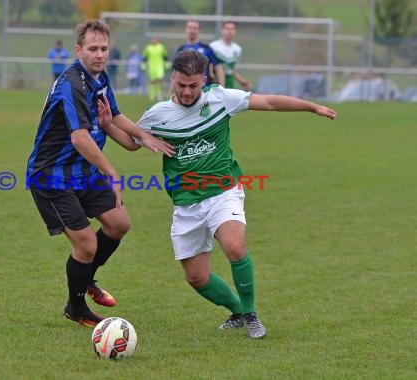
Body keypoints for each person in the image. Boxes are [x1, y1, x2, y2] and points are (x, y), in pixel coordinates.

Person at [134, 50, 337, 338]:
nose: (188, 91)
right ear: (173, 79)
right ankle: (238, 311)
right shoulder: (158, 115)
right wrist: (109, 124)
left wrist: (310, 107)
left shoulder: (220, 99)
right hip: (186, 204)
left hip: (223, 192)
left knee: (234, 246)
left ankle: (252, 313)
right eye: (181, 85)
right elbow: (131, 141)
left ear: (203, 79)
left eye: (194, 85)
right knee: (196, 277)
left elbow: (266, 101)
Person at [26, 19, 173, 328]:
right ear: (78, 50)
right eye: (92, 49)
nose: (99, 54)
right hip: (52, 176)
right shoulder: (72, 83)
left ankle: (87, 277)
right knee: (86, 245)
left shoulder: (99, 78)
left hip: (82, 171)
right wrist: (113, 174)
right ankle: (76, 307)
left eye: (104, 48)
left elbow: (114, 117)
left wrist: (142, 138)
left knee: (119, 224)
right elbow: (79, 137)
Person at [175, 20, 224, 88]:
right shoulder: (181, 49)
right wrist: (171, 92)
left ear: (199, 31)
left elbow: (218, 66)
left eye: (195, 28)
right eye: (190, 28)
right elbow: (175, 72)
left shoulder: (207, 48)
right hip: (185, 91)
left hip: (204, 90)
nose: (192, 30)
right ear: (186, 30)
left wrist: (222, 87)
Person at [210, 21, 251, 90]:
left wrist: (242, 82)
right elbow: (209, 66)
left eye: (232, 29)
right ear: (222, 30)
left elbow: (232, 69)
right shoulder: (213, 46)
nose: (230, 31)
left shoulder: (237, 49)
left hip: (229, 83)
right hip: (214, 82)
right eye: (227, 28)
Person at [141, 37, 169, 101]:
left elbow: (165, 56)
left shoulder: (161, 47)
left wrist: (167, 63)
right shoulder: (148, 48)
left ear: (158, 40)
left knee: (160, 79)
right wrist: (143, 65)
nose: (154, 41)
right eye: (153, 39)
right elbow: (145, 58)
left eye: (155, 39)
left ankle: (159, 94)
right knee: (152, 82)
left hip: (159, 66)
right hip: (151, 67)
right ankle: (152, 95)